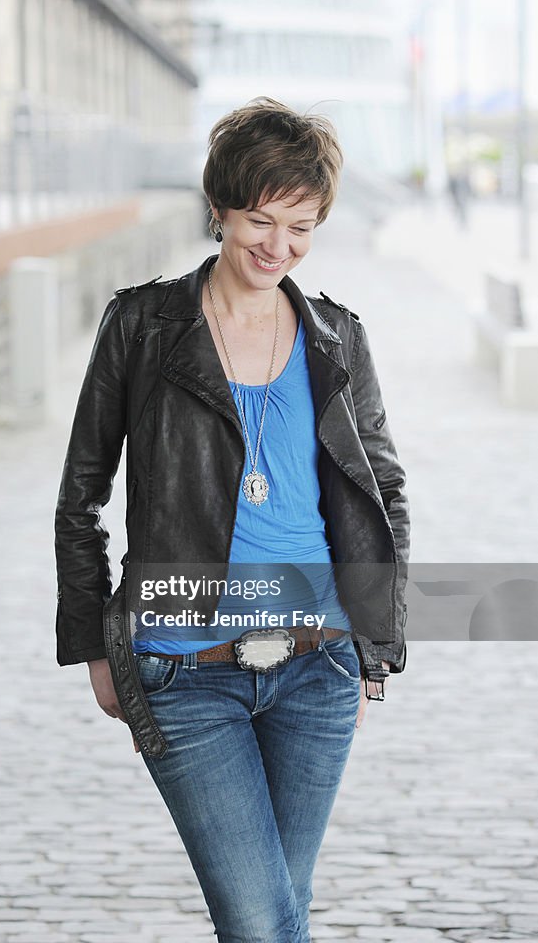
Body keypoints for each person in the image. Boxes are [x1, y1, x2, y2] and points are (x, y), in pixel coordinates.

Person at [54, 97, 410, 943]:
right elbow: (80, 496)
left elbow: (382, 492)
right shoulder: (143, 325)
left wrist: (373, 648)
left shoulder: (335, 337)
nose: (277, 248)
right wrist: (92, 647)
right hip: (185, 667)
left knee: (281, 909)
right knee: (260, 920)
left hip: (316, 665)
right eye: (259, 219)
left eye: (301, 227)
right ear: (217, 207)